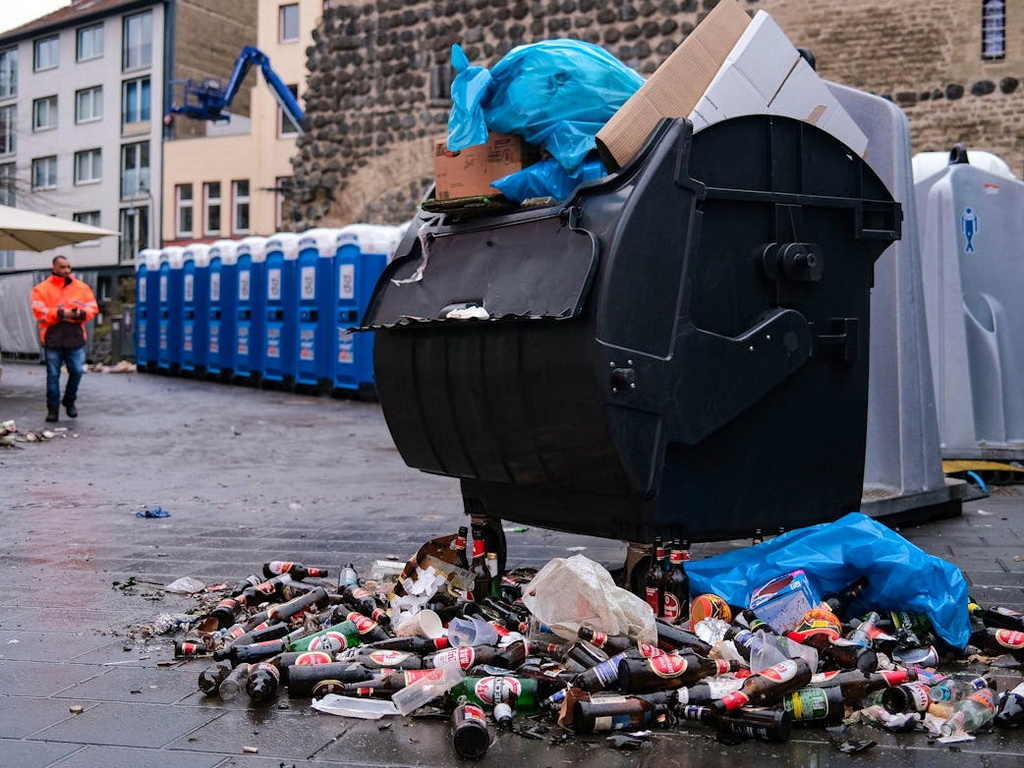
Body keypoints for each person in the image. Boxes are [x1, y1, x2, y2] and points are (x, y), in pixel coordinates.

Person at [30, 255, 99, 422]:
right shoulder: (41, 289)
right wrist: (61, 313)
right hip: (53, 338)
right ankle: (52, 410)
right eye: (63, 267)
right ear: (54, 268)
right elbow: (39, 312)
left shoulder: (82, 288)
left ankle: (69, 400)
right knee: (53, 375)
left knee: (77, 371)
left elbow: (93, 308)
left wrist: (81, 314)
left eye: (68, 267)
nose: (67, 270)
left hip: (74, 337)